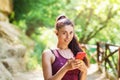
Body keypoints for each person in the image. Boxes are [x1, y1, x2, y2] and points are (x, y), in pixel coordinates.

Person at [42, 15, 89, 80]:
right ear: (56, 33)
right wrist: (66, 68)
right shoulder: (48, 54)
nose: (68, 37)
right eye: (64, 33)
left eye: (71, 33)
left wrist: (84, 71)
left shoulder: (76, 52)